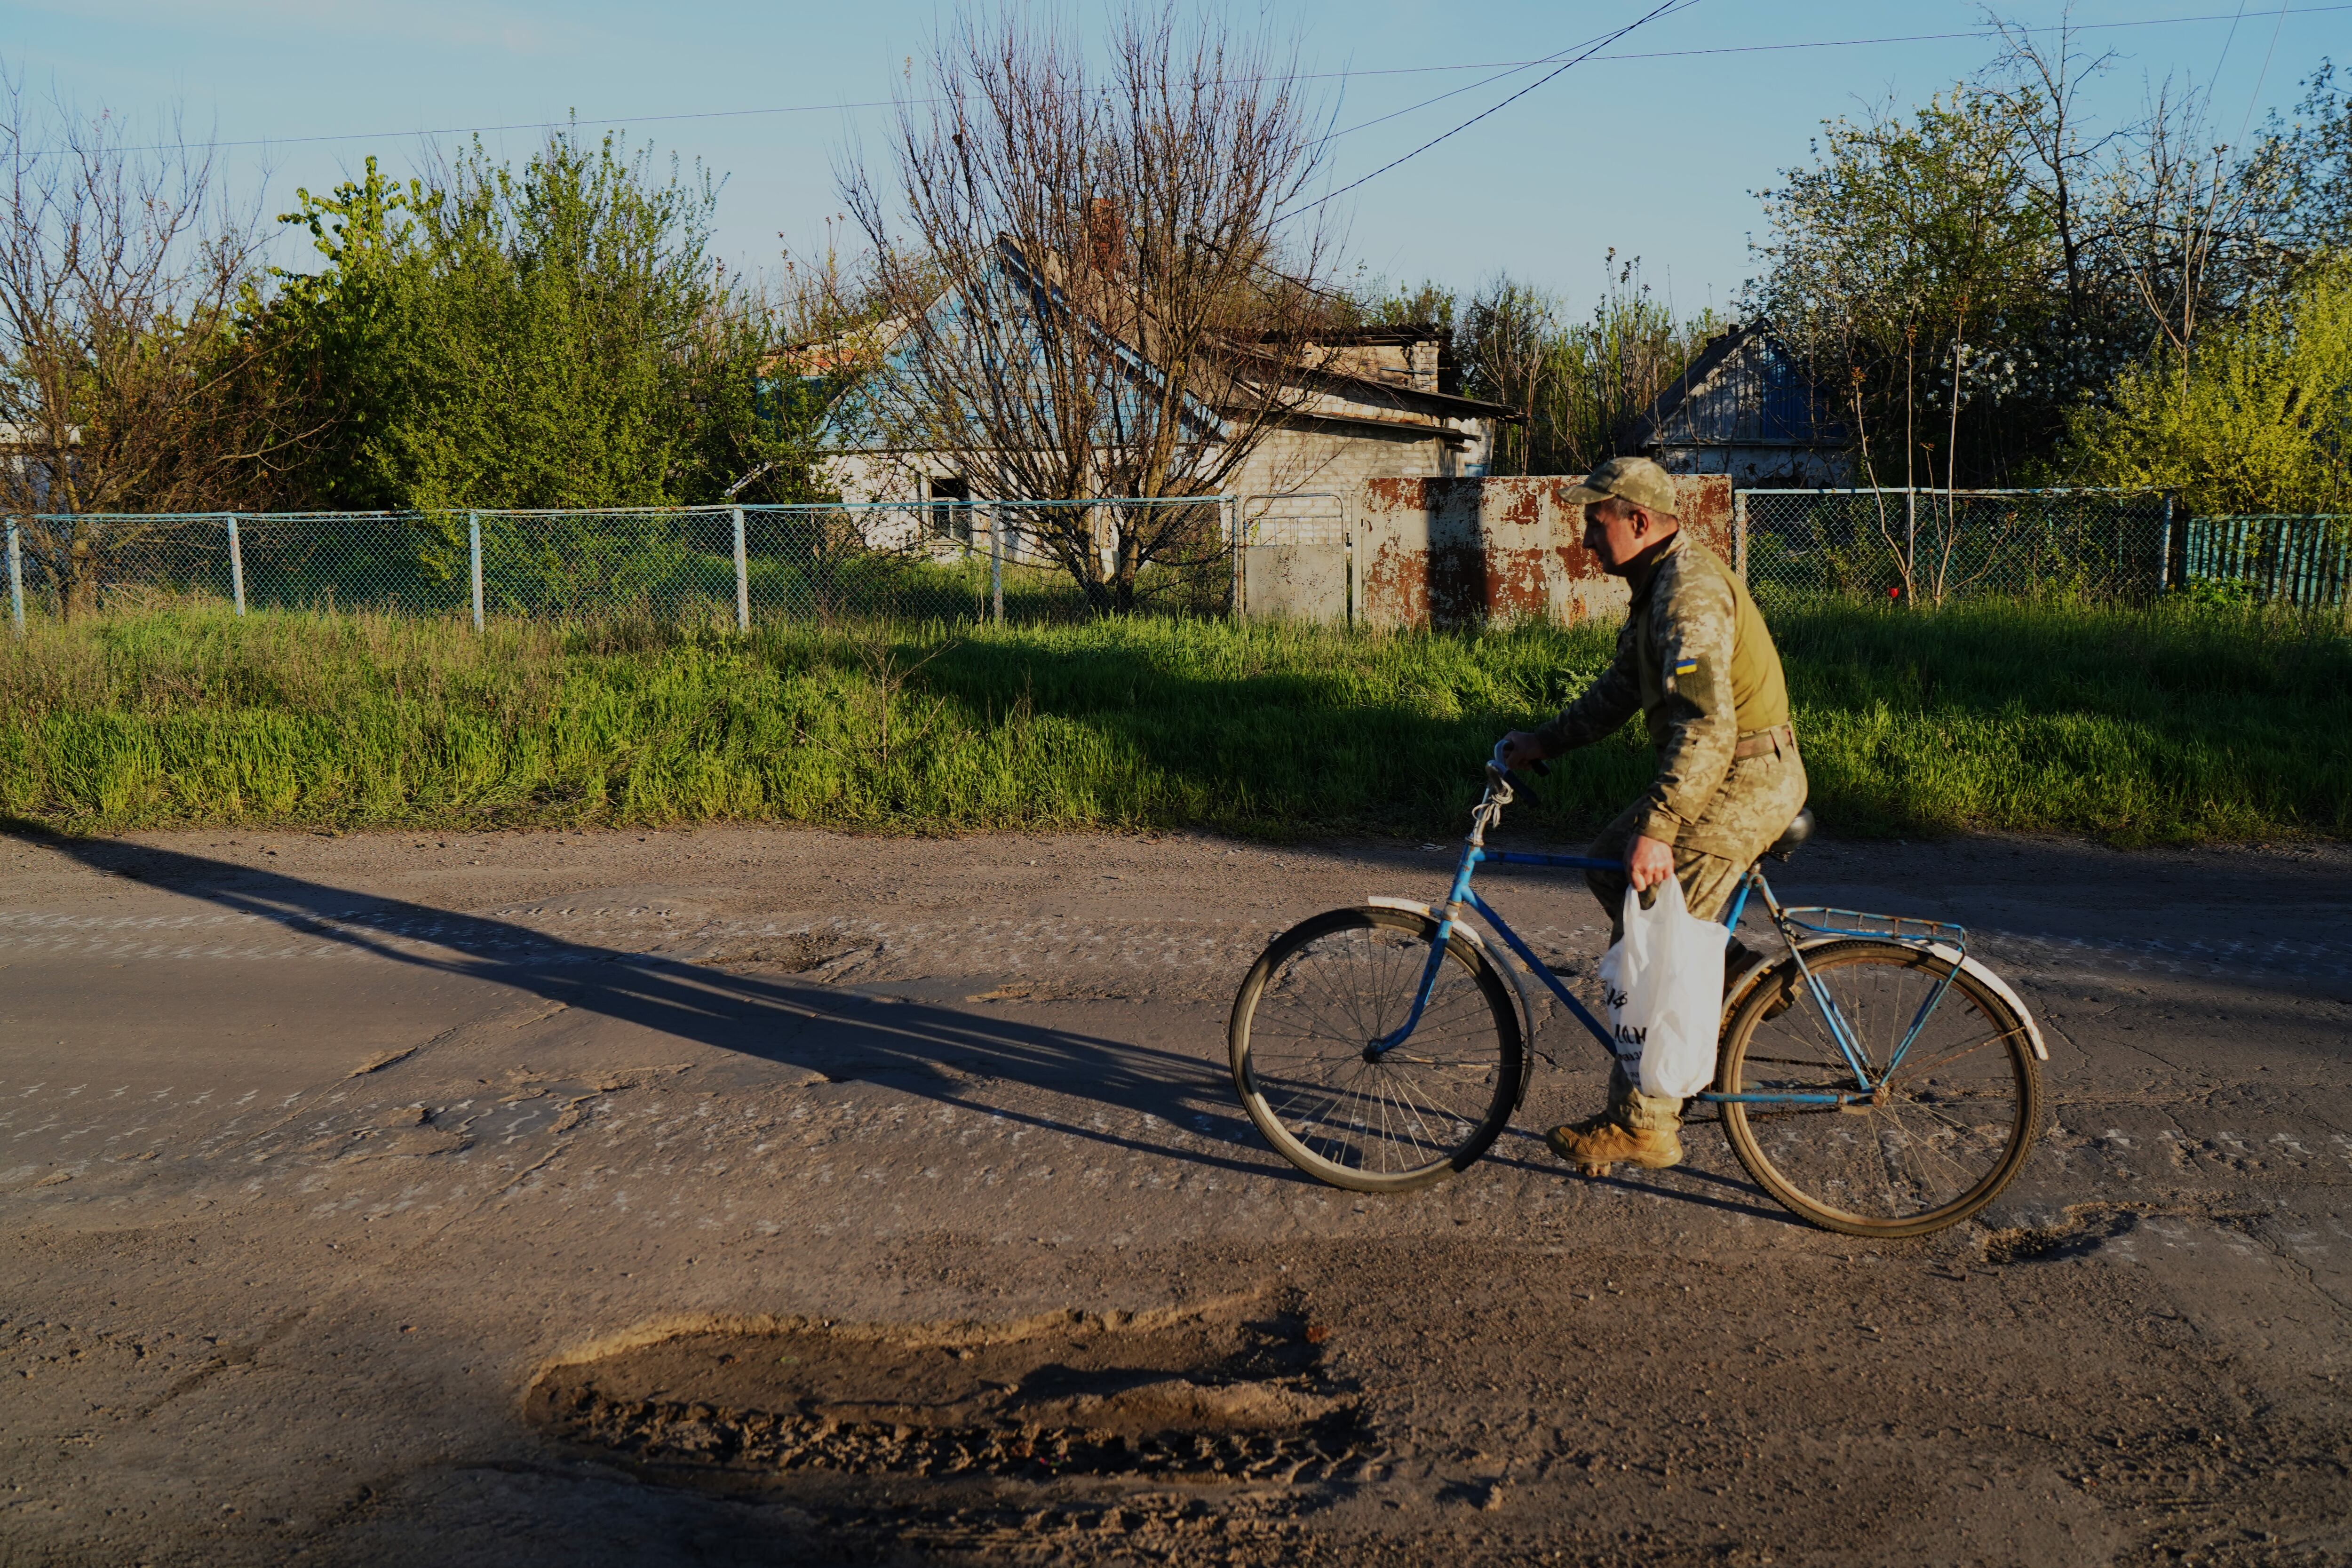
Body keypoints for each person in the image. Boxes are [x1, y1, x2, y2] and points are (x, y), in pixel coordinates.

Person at [1497, 456, 1806, 1176]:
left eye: (1595, 521)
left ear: (1639, 521)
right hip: (1729, 769)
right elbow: (1620, 692)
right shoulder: (1656, 586)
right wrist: (1545, 741)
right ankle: (1740, 979)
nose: (1584, 538)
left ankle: (1643, 1123)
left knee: (1656, 925)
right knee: (1610, 861)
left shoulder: (1687, 594)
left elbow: (1707, 727)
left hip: (1746, 776)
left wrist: (1662, 829)